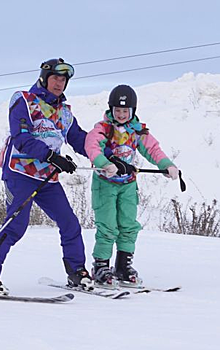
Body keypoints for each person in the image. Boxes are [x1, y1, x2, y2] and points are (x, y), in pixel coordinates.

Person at [0, 58, 93, 295]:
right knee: (16, 225)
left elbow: (79, 140)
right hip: (20, 173)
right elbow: (21, 138)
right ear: (44, 78)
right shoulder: (23, 100)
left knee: (69, 222)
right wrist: (52, 157)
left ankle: (77, 272)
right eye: (55, 78)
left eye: (63, 80)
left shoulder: (64, 112)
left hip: (47, 178)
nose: (59, 83)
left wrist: (106, 157)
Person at [84, 84, 179, 289]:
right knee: (108, 226)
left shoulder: (136, 131)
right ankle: (101, 266)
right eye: (117, 110)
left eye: (125, 111)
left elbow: (153, 149)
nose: (120, 114)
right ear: (111, 110)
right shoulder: (103, 129)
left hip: (127, 185)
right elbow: (92, 146)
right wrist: (104, 163)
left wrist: (167, 165)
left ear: (132, 111)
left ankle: (123, 266)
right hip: (105, 185)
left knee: (128, 225)